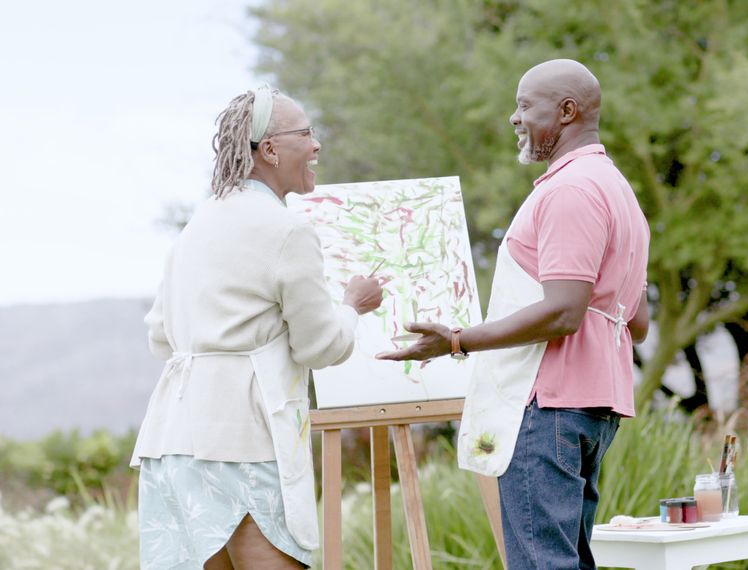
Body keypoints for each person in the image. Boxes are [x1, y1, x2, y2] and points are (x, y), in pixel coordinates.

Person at [377, 59, 650, 569]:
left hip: (549, 406)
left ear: (567, 111)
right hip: (593, 406)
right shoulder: (618, 190)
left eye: (525, 105)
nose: (513, 118)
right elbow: (637, 322)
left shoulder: (571, 189)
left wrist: (457, 340)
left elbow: (565, 312)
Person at [130, 86, 384, 569]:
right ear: (269, 149)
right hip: (243, 439)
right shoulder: (287, 230)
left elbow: (160, 337)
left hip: (172, 439)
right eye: (307, 134)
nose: (316, 145)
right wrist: (352, 305)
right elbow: (320, 345)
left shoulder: (195, 226)